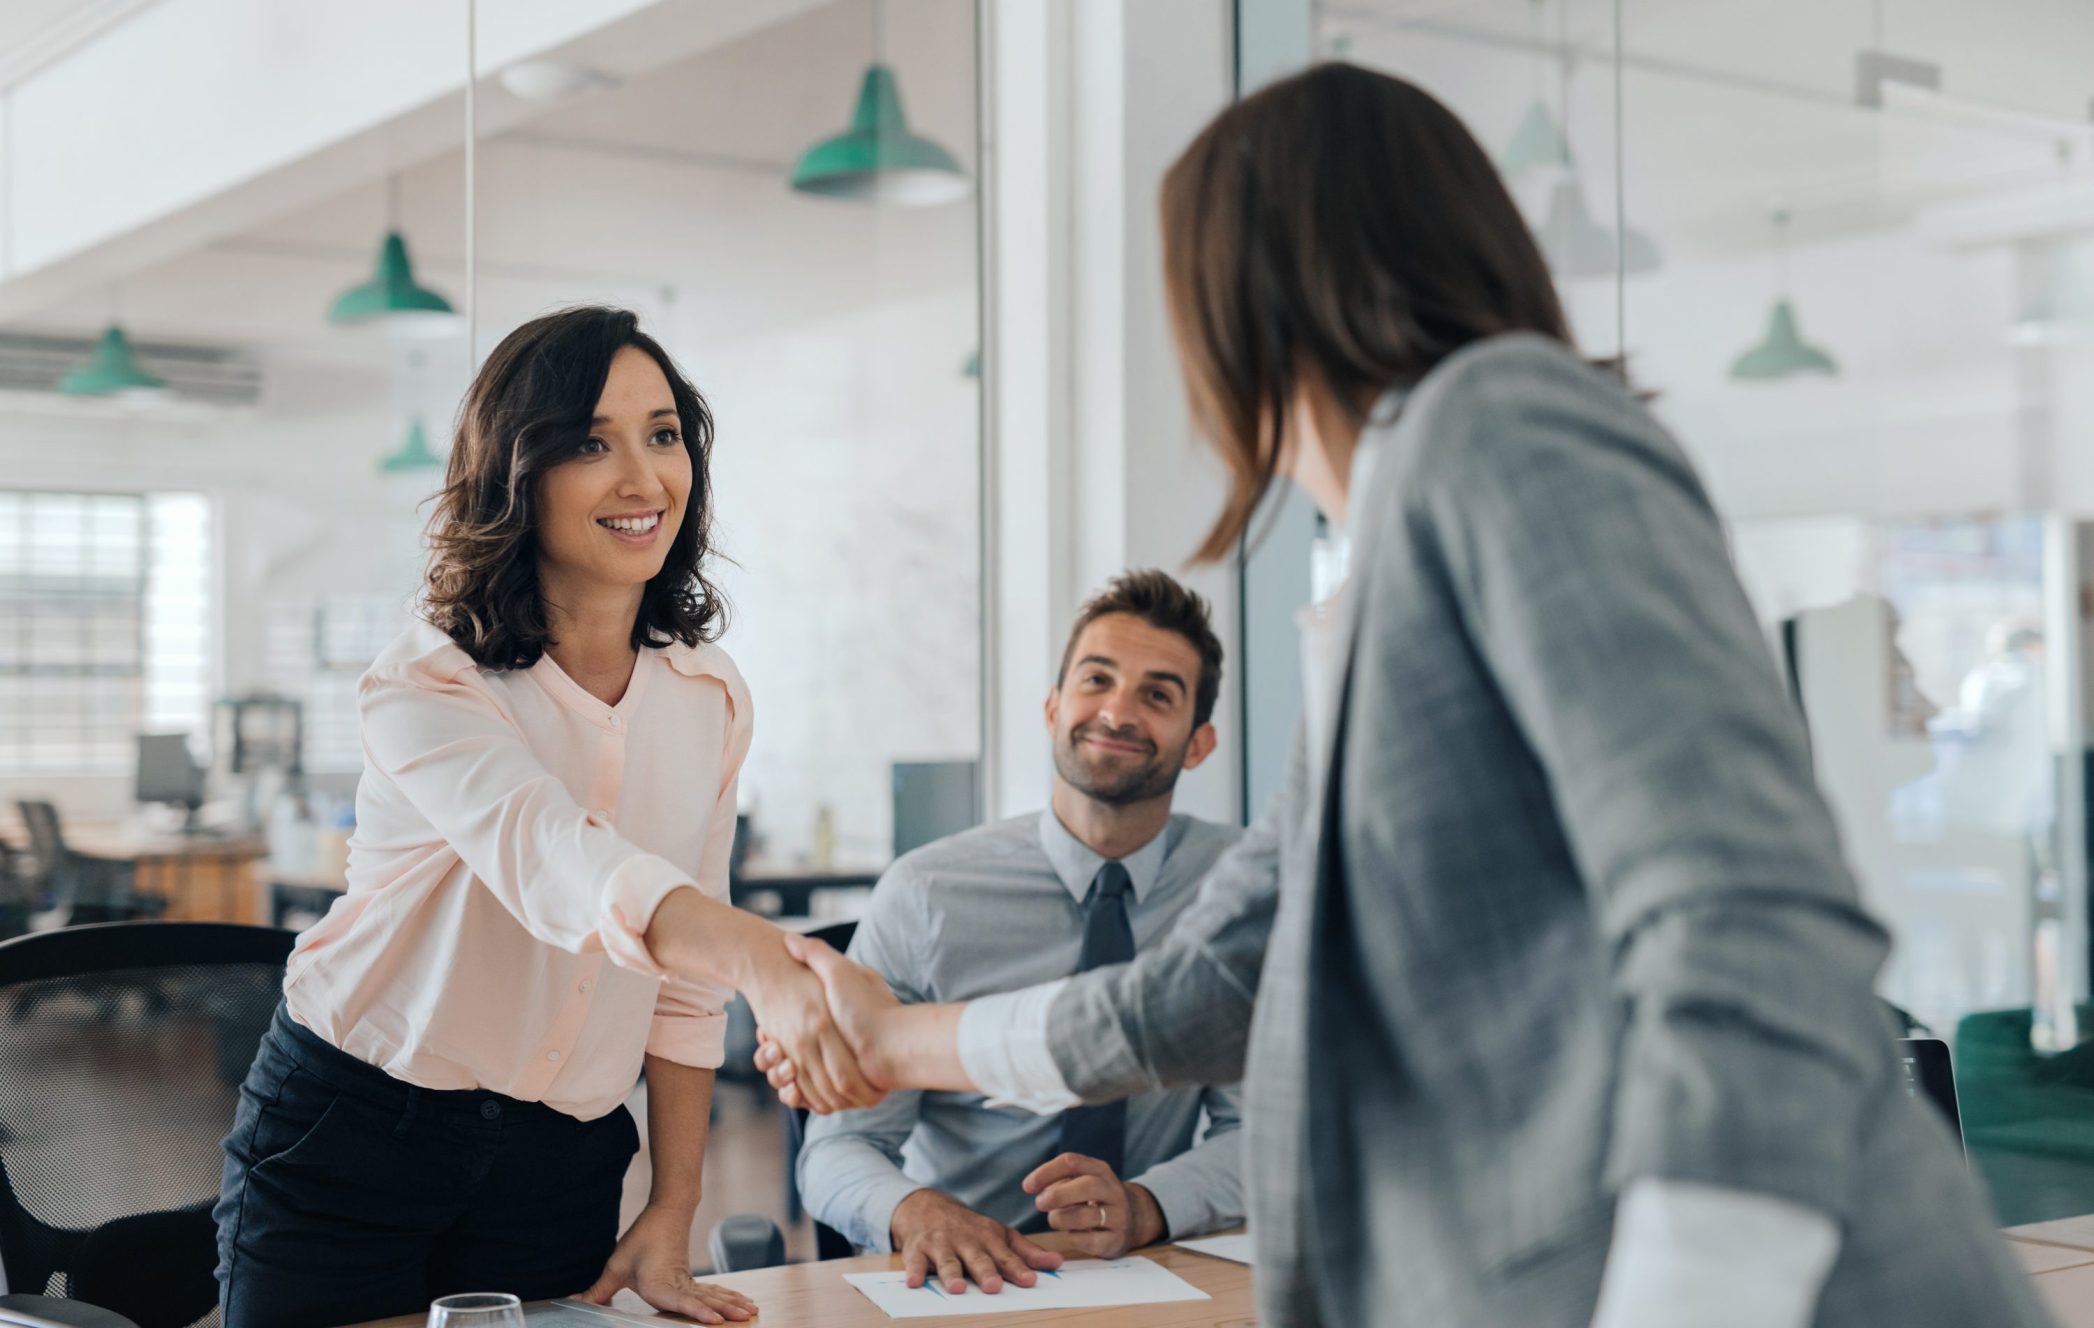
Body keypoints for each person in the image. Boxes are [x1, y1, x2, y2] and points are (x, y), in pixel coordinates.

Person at [759, 65, 2054, 1328]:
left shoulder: (1500, 424)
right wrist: (902, 1041)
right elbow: (1217, 988)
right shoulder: (1379, 576)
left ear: (1247, 292)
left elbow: (1746, 919)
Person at [213, 306, 875, 1328]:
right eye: (589, 443)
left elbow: (680, 990)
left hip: (560, 1159)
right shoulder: (430, 680)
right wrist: (765, 961)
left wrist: (675, 1201)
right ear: (517, 473)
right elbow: (557, 861)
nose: (643, 478)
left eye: (663, 435)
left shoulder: (709, 696)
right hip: (355, 1131)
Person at [796, 570, 1246, 1295]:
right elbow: (840, 1146)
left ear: (1199, 743)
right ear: (1052, 708)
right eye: (1096, 680)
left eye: (1158, 695)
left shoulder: (1240, 891)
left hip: (1148, 1273)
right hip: (961, 1285)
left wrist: (1146, 1205)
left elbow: (1264, 1127)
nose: (1118, 711)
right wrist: (917, 1212)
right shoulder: (926, 894)